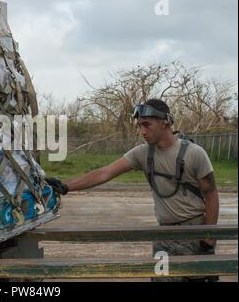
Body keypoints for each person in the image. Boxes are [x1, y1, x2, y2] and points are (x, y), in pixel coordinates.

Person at [46, 99, 220, 282]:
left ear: (165, 122)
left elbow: (211, 195)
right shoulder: (143, 153)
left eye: (147, 125)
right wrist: (66, 186)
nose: (142, 131)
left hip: (195, 231)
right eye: (139, 126)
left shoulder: (194, 153)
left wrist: (209, 238)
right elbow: (105, 173)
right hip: (164, 235)